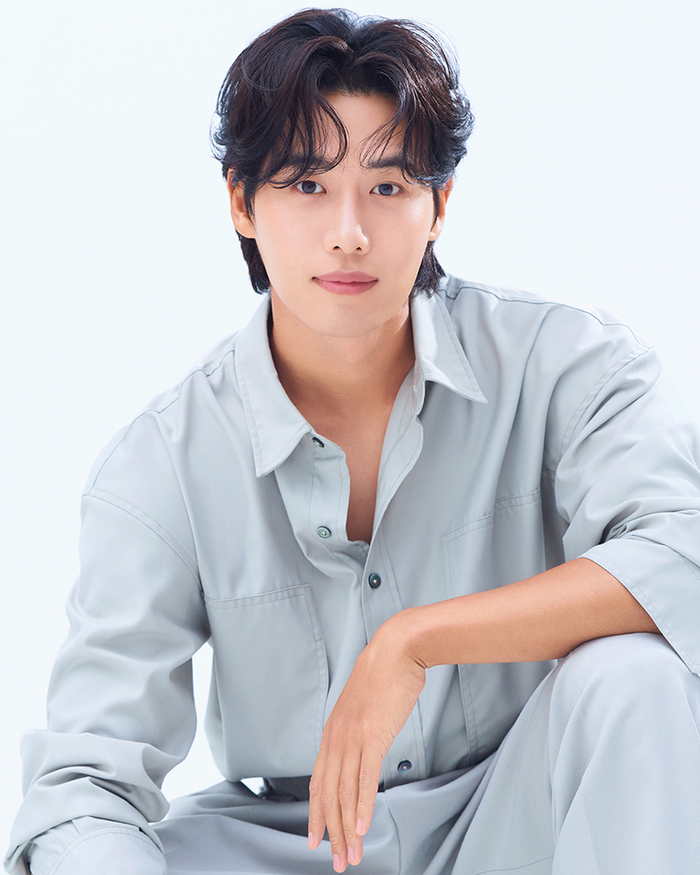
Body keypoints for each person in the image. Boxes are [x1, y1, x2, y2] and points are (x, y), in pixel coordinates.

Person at [6, 7, 700, 875]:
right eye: (306, 184)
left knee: (635, 675)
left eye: (388, 186)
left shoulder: (565, 364)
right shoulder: (162, 466)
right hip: (300, 846)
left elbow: (682, 552)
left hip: (521, 819)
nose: (349, 231)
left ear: (440, 204)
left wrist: (417, 639)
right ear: (241, 202)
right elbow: (84, 783)